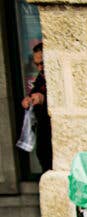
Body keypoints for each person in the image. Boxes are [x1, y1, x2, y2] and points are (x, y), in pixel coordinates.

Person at [20, 43, 51, 172]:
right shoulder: (41, 76)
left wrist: (43, 98)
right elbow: (35, 91)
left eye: (42, 64)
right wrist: (28, 99)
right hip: (43, 126)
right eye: (36, 64)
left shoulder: (52, 75)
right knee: (43, 154)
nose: (39, 68)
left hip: (52, 127)